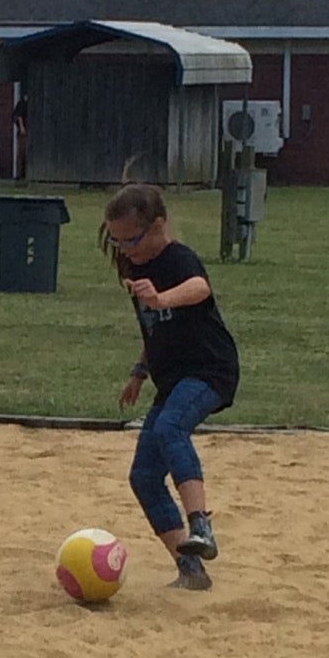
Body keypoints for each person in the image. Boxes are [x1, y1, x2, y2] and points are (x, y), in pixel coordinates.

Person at [103, 181, 240, 593]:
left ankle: (202, 526)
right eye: (117, 240)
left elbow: (200, 289)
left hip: (209, 370)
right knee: (144, 476)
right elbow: (153, 331)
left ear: (159, 225)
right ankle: (190, 569)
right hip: (171, 378)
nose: (125, 248)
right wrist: (139, 372)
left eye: (132, 239)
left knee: (170, 429)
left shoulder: (178, 259)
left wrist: (162, 299)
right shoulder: (135, 268)